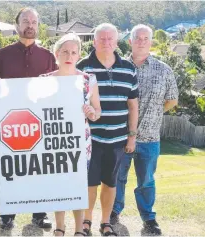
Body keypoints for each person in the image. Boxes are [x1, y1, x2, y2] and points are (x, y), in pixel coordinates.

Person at [0, 7, 57, 230]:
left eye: (34, 22)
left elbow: (56, 89)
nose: (30, 25)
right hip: (10, 123)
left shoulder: (48, 57)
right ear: (17, 25)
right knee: (8, 168)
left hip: (41, 123)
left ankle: (39, 214)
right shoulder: (2, 55)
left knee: (40, 168)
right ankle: (7, 215)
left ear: (38, 26)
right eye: (25, 21)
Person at [112, 24, 178, 235]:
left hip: (150, 138)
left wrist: (153, 114)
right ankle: (113, 212)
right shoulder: (117, 67)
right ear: (129, 41)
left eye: (145, 38)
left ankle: (149, 218)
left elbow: (172, 100)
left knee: (147, 181)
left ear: (151, 42)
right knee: (117, 178)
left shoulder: (164, 69)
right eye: (137, 38)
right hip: (120, 136)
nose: (141, 41)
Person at [77, 23, 139, 236]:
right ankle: (86, 222)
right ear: (94, 41)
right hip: (89, 139)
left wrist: (132, 136)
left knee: (110, 183)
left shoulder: (129, 68)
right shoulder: (82, 67)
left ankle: (105, 222)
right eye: (101, 39)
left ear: (116, 42)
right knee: (89, 183)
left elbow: (133, 106)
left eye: (110, 39)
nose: (106, 42)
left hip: (117, 139)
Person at [40, 33, 101, 236]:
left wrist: (92, 113)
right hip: (54, 141)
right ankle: (59, 226)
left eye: (74, 52)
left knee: (78, 186)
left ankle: (78, 229)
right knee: (58, 185)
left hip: (81, 143)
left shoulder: (88, 80)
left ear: (78, 55)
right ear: (56, 53)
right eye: (65, 51)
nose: (69, 55)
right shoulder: (44, 81)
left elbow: (97, 112)